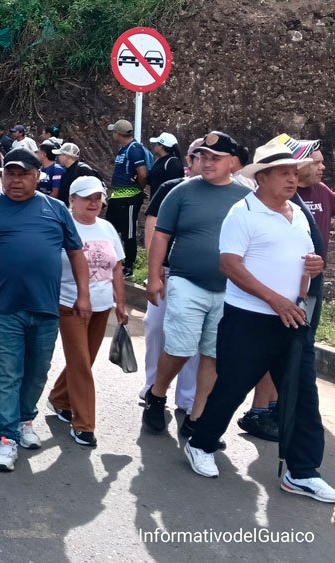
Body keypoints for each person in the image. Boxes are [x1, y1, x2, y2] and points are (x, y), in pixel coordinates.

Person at [183, 142, 335, 503]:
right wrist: (274, 299)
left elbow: (303, 262)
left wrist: (311, 272)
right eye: (283, 173)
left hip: (292, 317)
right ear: (261, 177)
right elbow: (230, 265)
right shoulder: (243, 212)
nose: (291, 179)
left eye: (294, 173)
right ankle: (200, 444)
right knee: (232, 388)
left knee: (302, 396)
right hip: (249, 319)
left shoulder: (298, 214)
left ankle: (302, 472)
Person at [0, 148, 90, 472]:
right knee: (6, 372)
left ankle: (25, 420)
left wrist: (83, 295)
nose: (15, 181)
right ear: (2, 176)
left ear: (37, 176)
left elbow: (76, 253)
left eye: (23, 174)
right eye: (10, 174)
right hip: (3, 307)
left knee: (37, 370)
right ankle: (6, 438)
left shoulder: (56, 210)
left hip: (45, 306)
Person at [143, 132, 250, 438]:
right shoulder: (181, 192)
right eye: (203, 156)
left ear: (233, 162)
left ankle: (197, 416)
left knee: (214, 354)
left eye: (215, 158)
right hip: (186, 280)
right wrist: (153, 278)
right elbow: (161, 236)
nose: (207, 162)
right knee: (180, 348)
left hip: (230, 288)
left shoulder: (245, 197)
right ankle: (157, 393)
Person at [45, 176, 127, 447]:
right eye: (87, 197)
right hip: (69, 304)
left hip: (101, 306)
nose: (94, 203)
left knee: (85, 360)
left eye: (98, 197)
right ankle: (83, 424)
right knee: (81, 363)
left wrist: (121, 303)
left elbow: (116, 267)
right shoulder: (61, 227)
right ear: (72, 200)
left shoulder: (106, 228)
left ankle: (59, 397)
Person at [140, 143, 202, 416]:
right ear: (189, 160)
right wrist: (153, 272)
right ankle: (153, 384)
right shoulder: (171, 189)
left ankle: (187, 397)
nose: (207, 161)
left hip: (199, 277)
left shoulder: (229, 194)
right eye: (200, 156)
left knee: (194, 339)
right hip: (166, 271)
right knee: (155, 328)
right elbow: (153, 228)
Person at [104, 119, 149, 279]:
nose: (113, 135)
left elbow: (142, 173)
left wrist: (139, 189)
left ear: (118, 133)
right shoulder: (123, 149)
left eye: (113, 132)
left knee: (128, 233)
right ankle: (112, 262)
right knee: (111, 230)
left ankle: (128, 268)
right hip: (117, 197)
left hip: (130, 198)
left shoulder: (134, 149)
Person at [52, 143, 98, 207]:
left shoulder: (83, 170)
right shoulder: (66, 172)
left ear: (67, 156)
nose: (58, 157)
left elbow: (94, 192)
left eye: (60, 154)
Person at [147, 132, 184, 198]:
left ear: (161, 146)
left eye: (156, 144)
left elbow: (175, 187)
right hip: (156, 203)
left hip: (167, 204)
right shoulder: (158, 160)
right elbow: (153, 180)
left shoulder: (173, 162)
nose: (154, 146)